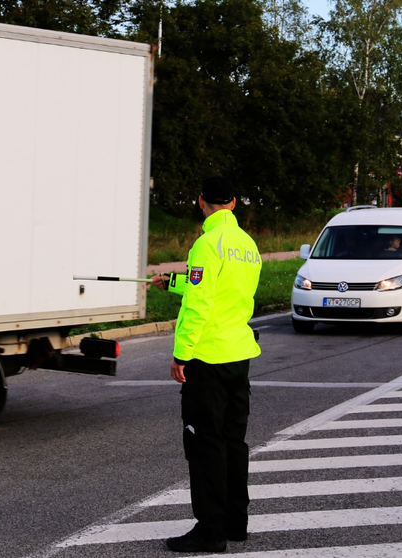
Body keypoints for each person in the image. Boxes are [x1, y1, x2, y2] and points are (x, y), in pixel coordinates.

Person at [151, 176, 262, 553]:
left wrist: (182, 354)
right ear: (232, 202)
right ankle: (235, 523)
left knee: (205, 446)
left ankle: (210, 531)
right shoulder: (248, 246)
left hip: (207, 359)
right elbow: (220, 289)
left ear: (201, 202)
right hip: (238, 357)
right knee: (234, 442)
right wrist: (173, 283)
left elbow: (200, 304)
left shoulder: (206, 243)